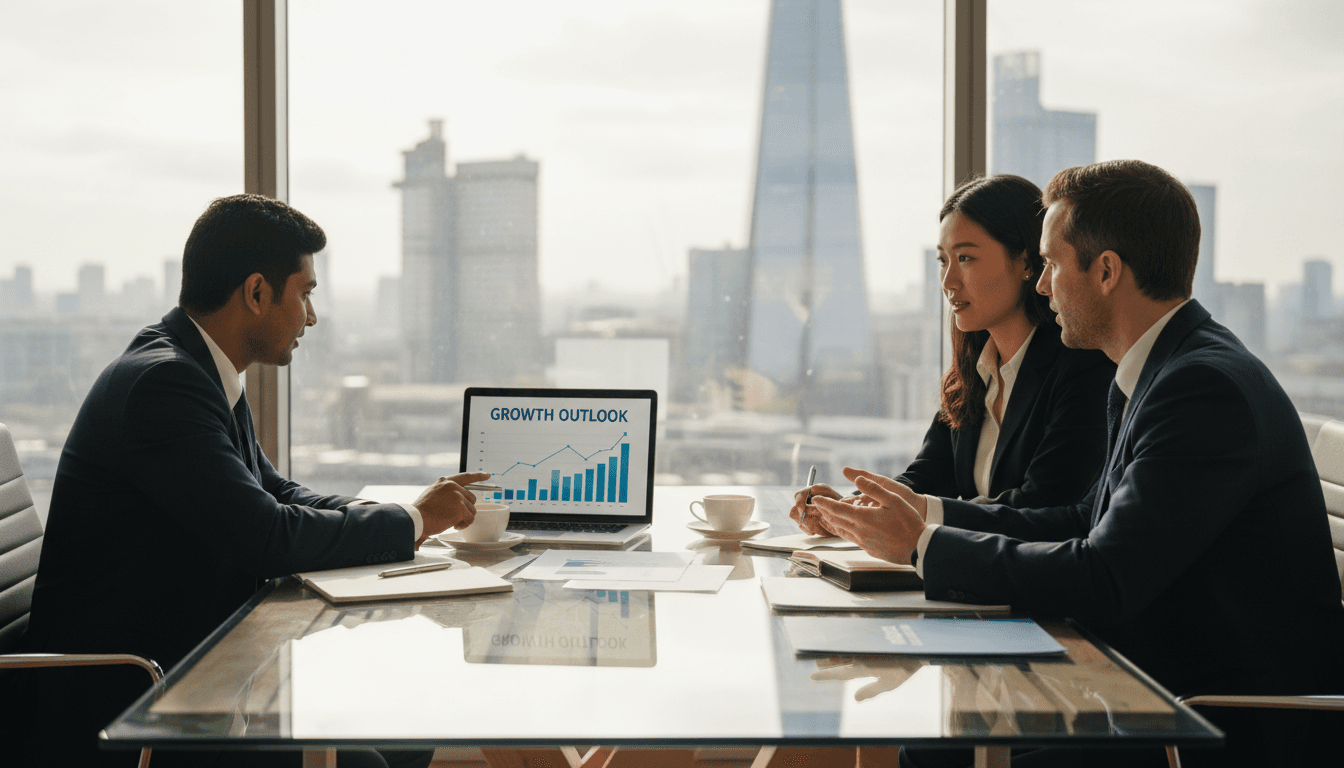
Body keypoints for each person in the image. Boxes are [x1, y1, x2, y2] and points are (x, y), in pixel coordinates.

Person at [807, 160, 1344, 767]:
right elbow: (1085, 520)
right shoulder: (1152, 372)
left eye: (1053, 264)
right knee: (935, 748)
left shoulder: (1199, 389)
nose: (1042, 286)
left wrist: (926, 546)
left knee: (941, 754)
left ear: (1107, 271)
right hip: (1150, 682)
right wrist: (922, 521)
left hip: (1216, 720)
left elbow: (1106, 577)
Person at [13, 194, 486, 768]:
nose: (311, 317)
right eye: (305, 292)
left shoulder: (196, 369)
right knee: (369, 755)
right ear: (258, 293)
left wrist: (408, 519)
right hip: (132, 706)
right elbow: (266, 534)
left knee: (402, 731)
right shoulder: (164, 387)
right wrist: (411, 521)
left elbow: (277, 494)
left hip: (194, 668)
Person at [792, 174, 1114, 527]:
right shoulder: (974, 371)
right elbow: (927, 477)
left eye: (966, 258)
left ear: (1025, 262)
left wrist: (908, 514)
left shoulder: (1082, 367)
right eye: (943, 261)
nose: (948, 282)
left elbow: (1043, 505)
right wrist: (848, 510)